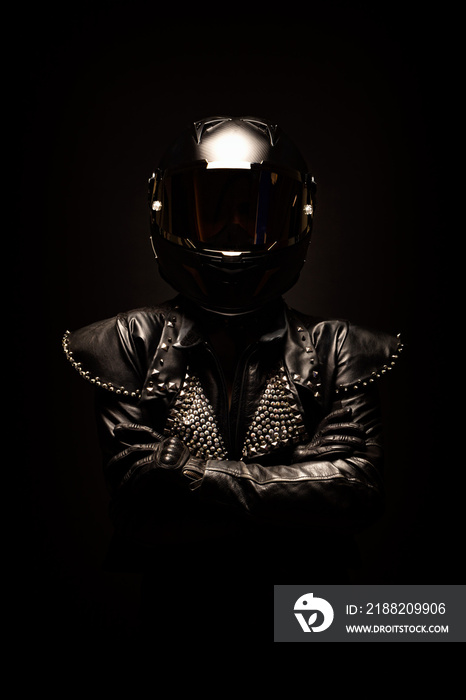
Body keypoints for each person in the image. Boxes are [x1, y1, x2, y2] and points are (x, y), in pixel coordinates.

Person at [63, 116, 402, 635]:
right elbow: (139, 507)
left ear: (299, 218)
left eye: (253, 213)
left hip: (309, 617)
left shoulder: (339, 347)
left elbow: (355, 492)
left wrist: (197, 476)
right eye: (210, 212)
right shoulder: (127, 341)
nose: (232, 235)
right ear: (165, 214)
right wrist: (295, 482)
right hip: (179, 616)